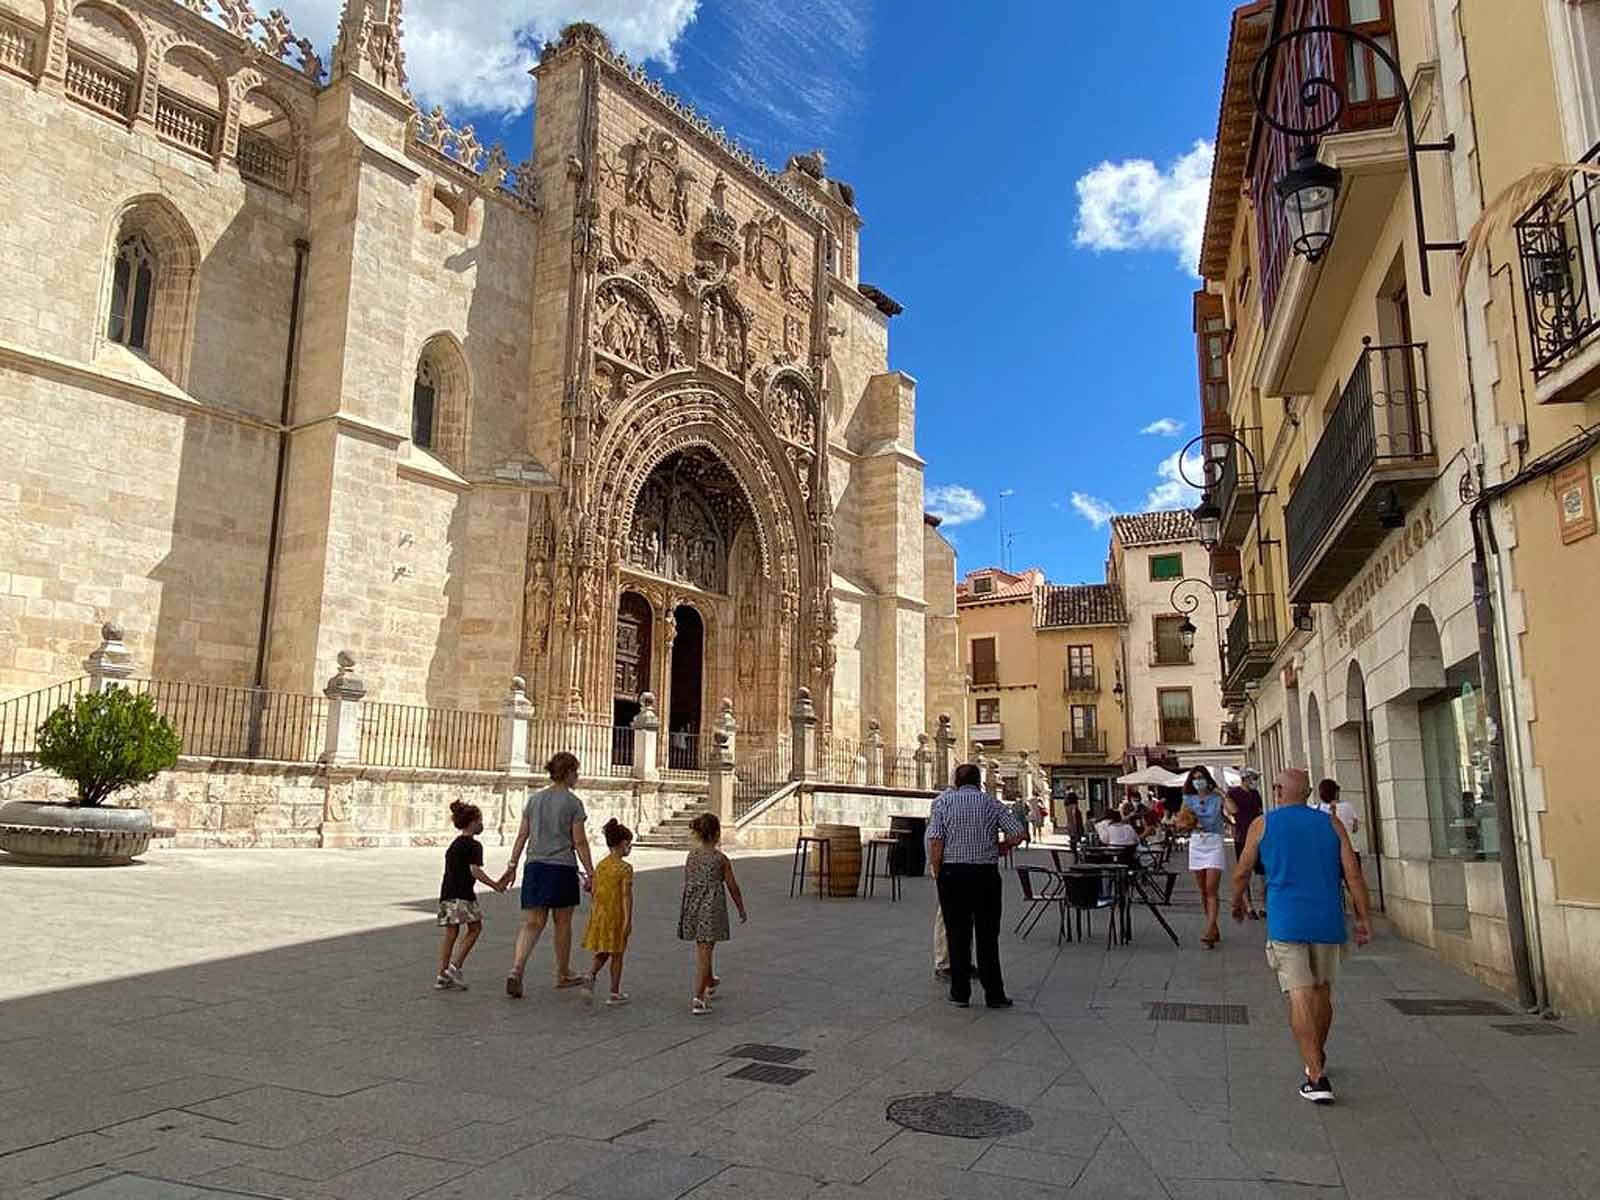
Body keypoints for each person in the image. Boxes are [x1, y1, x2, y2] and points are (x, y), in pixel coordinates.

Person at [1231, 768, 1371, 1105]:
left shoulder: (1263, 824)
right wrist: (1363, 917)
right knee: (1322, 992)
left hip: (1286, 922)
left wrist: (1237, 902)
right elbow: (1352, 873)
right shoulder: (1330, 824)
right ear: (1308, 794)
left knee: (1299, 995)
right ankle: (1317, 1057)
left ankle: (1315, 1074)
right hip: (1327, 920)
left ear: (1278, 790)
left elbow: (1242, 871)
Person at [928, 763, 1025, 1009]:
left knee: (957, 934)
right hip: (985, 875)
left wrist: (938, 870)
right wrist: (1002, 847)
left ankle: (960, 993)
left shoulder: (943, 803)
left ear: (956, 782)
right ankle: (994, 994)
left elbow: (936, 840)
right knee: (987, 935)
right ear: (979, 781)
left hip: (953, 874)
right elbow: (1019, 832)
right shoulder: (991, 803)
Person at [501, 752, 597, 998]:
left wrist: (512, 864)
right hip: (562, 867)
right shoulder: (573, 803)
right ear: (567, 773)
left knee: (532, 922)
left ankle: (516, 968)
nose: (578, 776)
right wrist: (591, 873)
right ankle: (563, 972)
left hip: (535, 866)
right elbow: (579, 841)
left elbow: (522, 835)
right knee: (562, 923)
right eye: (575, 772)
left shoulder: (534, 800)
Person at [678, 812, 747, 1015]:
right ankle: (699, 997)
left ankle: (710, 980)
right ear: (717, 834)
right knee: (704, 951)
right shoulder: (721, 859)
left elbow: (689, 881)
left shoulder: (691, 856)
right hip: (711, 907)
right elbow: (733, 886)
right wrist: (741, 908)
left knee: (704, 947)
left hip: (693, 906)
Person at [435, 800, 505, 990]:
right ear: (472, 822)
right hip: (463, 894)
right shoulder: (474, 846)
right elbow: (475, 870)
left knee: (451, 933)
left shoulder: (454, 844)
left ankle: (442, 974)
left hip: (447, 893)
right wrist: (495, 885)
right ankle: (454, 966)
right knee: (475, 928)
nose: (481, 823)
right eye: (480, 820)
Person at [580, 818, 635, 1006]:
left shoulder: (601, 865)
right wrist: (627, 920)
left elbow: (594, 890)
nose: (629, 848)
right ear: (621, 845)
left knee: (604, 949)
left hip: (600, 914)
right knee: (617, 954)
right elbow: (626, 896)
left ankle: (591, 973)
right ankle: (614, 991)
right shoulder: (625, 868)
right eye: (628, 844)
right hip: (616, 915)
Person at [1183, 766, 1227, 948]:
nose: (1198, 780)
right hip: (1197, 842)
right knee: (1203, 890)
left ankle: (1209, 930)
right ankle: (1213, 925)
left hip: (1214, 841)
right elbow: (1181, 820)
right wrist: (1188, 822)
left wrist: (1222, 793)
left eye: (1201, 777)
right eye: (1195, 777)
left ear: (1207, 779)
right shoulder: (1188, 799)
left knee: (1211, 888)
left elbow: (1234, 809)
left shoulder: (1216, 798)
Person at [1226, 783, 1264, 919]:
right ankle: (1249, 906)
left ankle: (1264, 906)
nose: (1254, 781)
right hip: (1242, 836)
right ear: (1244, 779)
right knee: (1244, 870)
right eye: (1252, 778)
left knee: (1262, 872)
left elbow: (1260, 811)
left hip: (1257, 835)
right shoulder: (1233, 793)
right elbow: (1232, 811)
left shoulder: (1255, 793)